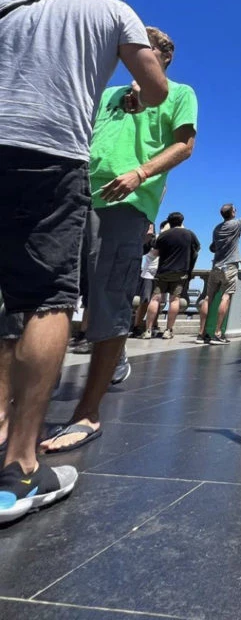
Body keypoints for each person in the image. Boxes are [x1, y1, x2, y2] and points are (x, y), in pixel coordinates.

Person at [0, 0, 168, 523]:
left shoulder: (10, 2)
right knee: (48, 298)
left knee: (2, 303)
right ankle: (19, 469)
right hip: (48, 158)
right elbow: (155, 89)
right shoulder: (110, 10)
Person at [39, 27, 196, 454]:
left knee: (109, 299)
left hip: (124, 204)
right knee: (39, 296)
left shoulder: (180, 93)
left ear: (163, 57)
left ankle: (86, 414)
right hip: (71, 197)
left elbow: (184, 145)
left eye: (144, 48)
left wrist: (140, 174)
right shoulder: (110, 93)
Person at [196, 198, 241, 345]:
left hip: (216, 266)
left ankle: (201, 334)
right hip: (230, 266)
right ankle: (218, 333)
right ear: (232, 213)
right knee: (226, 297)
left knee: (208, 298)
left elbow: (212, 248)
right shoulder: (236, 224)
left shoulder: (217, 229)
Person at [143, 212, 200, 339]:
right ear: (182, 221)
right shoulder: (189, 234)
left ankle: (148, 330)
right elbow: (197, 249)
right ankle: (168, 330)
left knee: (155, 299)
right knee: (174, 300)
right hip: (180, 272)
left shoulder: (164, 235)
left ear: (169, 222)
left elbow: (155, 252)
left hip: (163, 271)